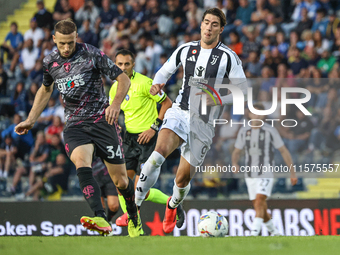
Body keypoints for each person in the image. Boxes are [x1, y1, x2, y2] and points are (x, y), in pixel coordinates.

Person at [14, 19, 141, 237]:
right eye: (61, 43)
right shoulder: (49, 62)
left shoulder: (92, 54)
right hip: (75, 124)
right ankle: (100, 217)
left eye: (70, 43)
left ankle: (133, 216)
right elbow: (45, 90)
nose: (65, 48)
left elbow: (123, 80)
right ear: (54, 39)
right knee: (82, 162)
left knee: (121, 180)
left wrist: (116, 104)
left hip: (102, 122)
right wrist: (31, 119)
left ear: (76, 38)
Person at [134, 8, 247, 234]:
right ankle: (133, 209)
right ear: (200, 24)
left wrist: (216, 97)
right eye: (206, 22)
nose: (208, 27)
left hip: (204, 122)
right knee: (157, 155)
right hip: (179, 111)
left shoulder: (228, 57)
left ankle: (173, 205)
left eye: (214, 24)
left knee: (182, 178)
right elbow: (163, 72)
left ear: (221, 29)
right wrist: (157, 85)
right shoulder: (186, 49)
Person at [109, 49, 181, 229]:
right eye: (120, 64)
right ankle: (136, 225)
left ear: (133, 65)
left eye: (127, 64)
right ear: (115, 65)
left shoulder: (144, 83)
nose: (123, 68)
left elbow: (167, 103)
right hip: (129, 138)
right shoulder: (114, 88)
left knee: (139, 189)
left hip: (148, 139)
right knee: (121, 185)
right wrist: (115, 125)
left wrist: (153, 127)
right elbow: (115, 111)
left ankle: (171, 205)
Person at [231, 103, 298, 236]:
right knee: (258, 205)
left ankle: (254, 233)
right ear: (249, 114)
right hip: (249, 173)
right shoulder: (244, 131)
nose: (257, 115)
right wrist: (234, 163)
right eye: (254, 112)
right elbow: (236, 151)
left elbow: (283, 151)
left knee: (260, 199)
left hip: (265, 171)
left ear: (264, 115)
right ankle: (275, 232)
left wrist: (292, 172)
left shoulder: (270, 131)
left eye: (260, 113)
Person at [92, 157, 119, 224]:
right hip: (93, 175)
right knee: (101, 206)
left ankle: (108, 221)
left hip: (110, 174)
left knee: (114, 206)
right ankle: (103, 225)